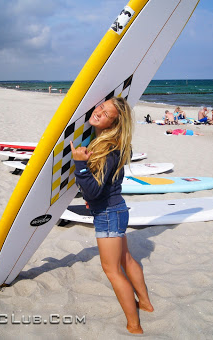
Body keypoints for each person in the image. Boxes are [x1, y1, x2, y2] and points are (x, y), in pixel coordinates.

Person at [70, 97, 154, 334]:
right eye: (100, 107)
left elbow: (95, 190)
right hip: (116, 210)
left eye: (106, 113)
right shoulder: (111, 142)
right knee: (126, 260)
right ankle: (145, 304)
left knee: (113, 271)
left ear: (114, 122)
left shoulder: (106, 148)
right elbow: (102, 187)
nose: (99, 112)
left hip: (108, 213)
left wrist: (80, 166)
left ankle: (134, 325)